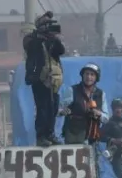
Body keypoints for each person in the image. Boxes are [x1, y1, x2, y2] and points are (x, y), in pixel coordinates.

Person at [22, 11, 65, 146]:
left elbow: (61, 51)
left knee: (53, 108)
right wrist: (40, 37)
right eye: (46, 24)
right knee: (43, 108)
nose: (49, 27)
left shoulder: (51, 40)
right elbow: (29, 46)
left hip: (54, 79)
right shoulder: (31, 38)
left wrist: (54, 39)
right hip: (39, 79)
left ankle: (50, 134)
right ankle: (41, 136)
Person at [62, 63, 105, 145]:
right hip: (74, 135)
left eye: (92, 75)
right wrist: (63, 111)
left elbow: (106, 118)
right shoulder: (72, 90)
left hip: (93, 137)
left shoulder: (101, 94)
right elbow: (59, 109)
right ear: (82, 76)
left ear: (96, 78)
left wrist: (98, 114)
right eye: (87, 74)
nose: (89, 77)